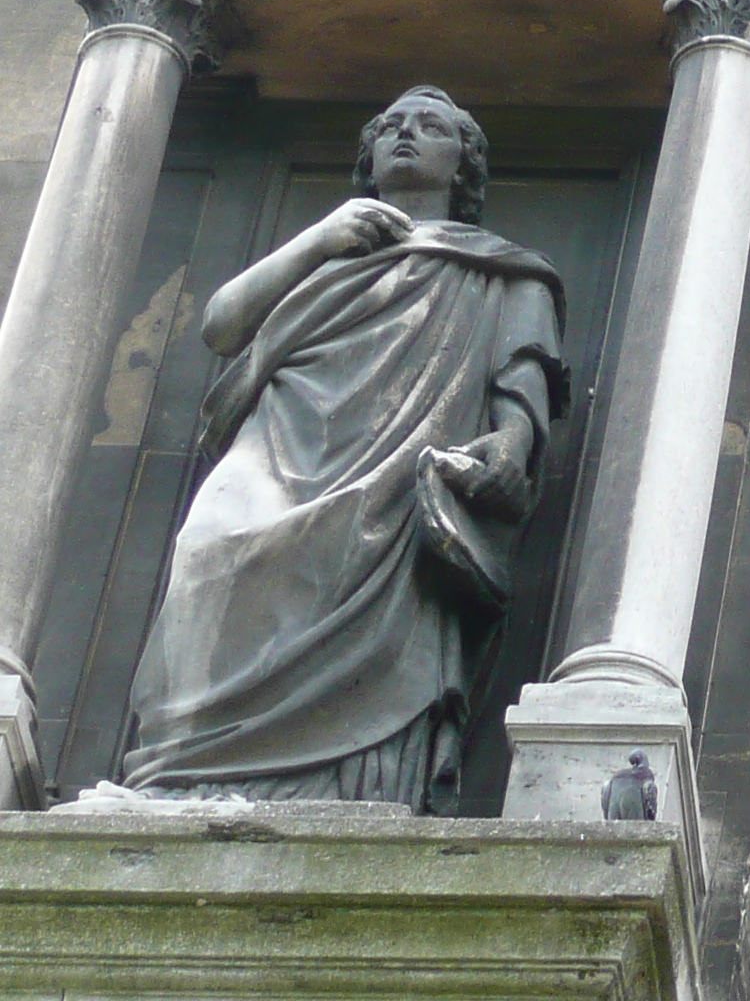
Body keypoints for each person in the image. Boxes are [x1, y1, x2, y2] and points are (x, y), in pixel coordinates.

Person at [117, 88, 566, 810]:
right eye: (389, 126)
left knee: (376, 593)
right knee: (207, 549)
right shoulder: (330, 252)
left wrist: (513, 438)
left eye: (430, 127)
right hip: (285, 436)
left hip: (395, 470)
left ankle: (344, 791)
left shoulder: (502, 269)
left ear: (463, 164)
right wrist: (321, 237)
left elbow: (525, 366)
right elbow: (223, 326)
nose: (405, 135)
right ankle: (179, 772)